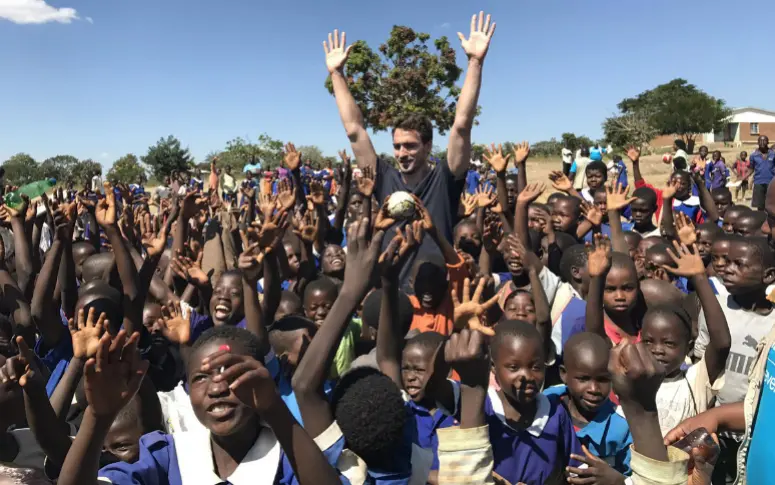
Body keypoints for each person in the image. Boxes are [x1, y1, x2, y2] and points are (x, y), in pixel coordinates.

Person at [324, 14, 494, 291]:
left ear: (427, 146)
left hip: (438, 295)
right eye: (397, 146)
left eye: (410, 145)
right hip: (393, 295)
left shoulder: (445, 178)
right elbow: (355, 130)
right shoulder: (383, 177)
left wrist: (475, 62)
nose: (402, 153)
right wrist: (336, 75)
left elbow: (461, 126)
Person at [544, 332, 632, 477]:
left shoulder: (620, 426)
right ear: (564, 374)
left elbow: (632, 476)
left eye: (603, 379)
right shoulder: (547, 404)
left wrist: (615, 480)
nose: (594, 389)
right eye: (583, 379)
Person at [747, 135, 775, 210]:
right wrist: (742, 177)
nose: (762, 142)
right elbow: (751, 169)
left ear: (768, 142)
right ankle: (761, 220)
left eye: (764, 140)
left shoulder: (773, 154)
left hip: (771, 182)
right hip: (758, 183)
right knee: (760, 206)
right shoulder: (753, 156)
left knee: (771, 204)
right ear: (758, 142)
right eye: (760, 141)